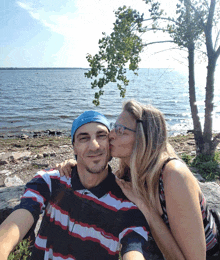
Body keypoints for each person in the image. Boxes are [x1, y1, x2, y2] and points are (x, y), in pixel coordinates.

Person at [57, 100, 219, 260]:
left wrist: (145, 207)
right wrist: (77, 166)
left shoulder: (173, 175)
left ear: (143, 138)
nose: (110, 135)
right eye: (114, 127)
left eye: (120, 130)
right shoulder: (127, 174)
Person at [0, 110, 158, 260]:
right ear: (74, 146)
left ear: (110, 142)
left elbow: (133, 249)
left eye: (101, 136)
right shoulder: (50, 181)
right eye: (84, 138)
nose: (94, 146)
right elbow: (23, 212)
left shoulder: (126, 202)